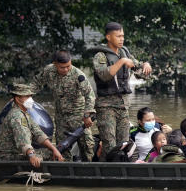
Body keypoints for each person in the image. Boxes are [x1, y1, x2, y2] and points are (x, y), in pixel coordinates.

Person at [90, 22, 152, 157]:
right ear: (108, 37)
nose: (121, 39)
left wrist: (145, 66)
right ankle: (105, 172)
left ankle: (121, 169)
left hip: (123, 105)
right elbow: (104, 75)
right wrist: (122, 62)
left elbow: (139, 70)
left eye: (122, 36)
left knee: (124, 143)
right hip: (106, 106)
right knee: (109, 144)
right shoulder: (100, 56)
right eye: (118, 36)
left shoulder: (124, 52)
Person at [31, 50, 96, 161]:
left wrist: (87, 115)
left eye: (68, 66)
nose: (66, 69)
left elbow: (90, 95)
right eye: (62, 67)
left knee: (87, 146)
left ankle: (90, 168)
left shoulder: (78, 75)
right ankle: (66, 170)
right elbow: (35, 84)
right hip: (60, 117)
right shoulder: (49, 71)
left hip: (78, 116)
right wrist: (23, 97)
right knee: (62, 147)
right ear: (55, 64)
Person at [0, 82, 63, 168]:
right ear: (18, 99)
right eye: (27, 96)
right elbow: (23, 138)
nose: (31, 100)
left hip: (17, 153)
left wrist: (54, 149)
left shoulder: (25, 114)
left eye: (31, 96)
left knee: (53, 151)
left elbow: (38, 133)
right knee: (48, 154)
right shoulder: (17, 116)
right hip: (7, 157)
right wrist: (31, 156)